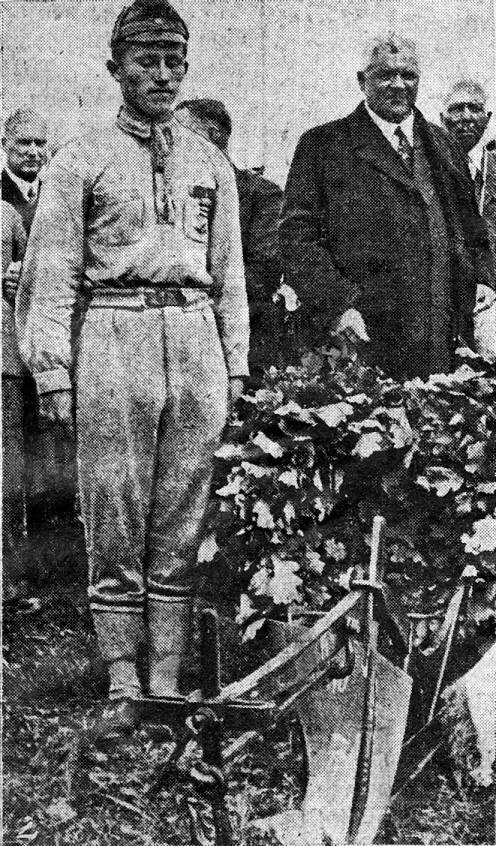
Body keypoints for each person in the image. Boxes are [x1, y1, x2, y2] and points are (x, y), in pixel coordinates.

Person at [17, 0, 249, 742]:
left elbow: (230, 274)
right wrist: (53, 371)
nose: (163, 76)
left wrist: (235, 367)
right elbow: (49, 276)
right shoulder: (78, 159)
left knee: (184, 511)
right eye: (147, 62)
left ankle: (167, 681)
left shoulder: (210, 163)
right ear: (115, 68)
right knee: (115, 509)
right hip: (115, 333)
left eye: (174, 62)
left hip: (195, 335)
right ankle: (124, 679)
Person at [279, 34, 495, 381]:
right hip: (358, 338)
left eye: (408, 75)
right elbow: (296, 239)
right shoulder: (324, 146)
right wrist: (338, 305)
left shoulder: (444, 146)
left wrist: (482, 280)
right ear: (362, 81)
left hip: (439, 340)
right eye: (385, 75)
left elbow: (474, 230)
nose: (398, 85)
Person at [175, 98, 283, 381]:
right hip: (183, 338)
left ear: (212, 137)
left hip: (248, 343)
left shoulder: (262, 195)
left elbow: (263, 274)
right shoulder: (178, 195)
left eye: (181, 132)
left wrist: (193, 293)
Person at [2, 201, 28, 601]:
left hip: (3, 357)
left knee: (6, 470)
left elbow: (34, 275)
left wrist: (19, 281)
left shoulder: (7, 217)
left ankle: (6, 579)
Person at [2, 109, 48, 234]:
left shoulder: (52, 194)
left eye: (39, 143)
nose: (33, 152)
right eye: (25, 142)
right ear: (5, 144)